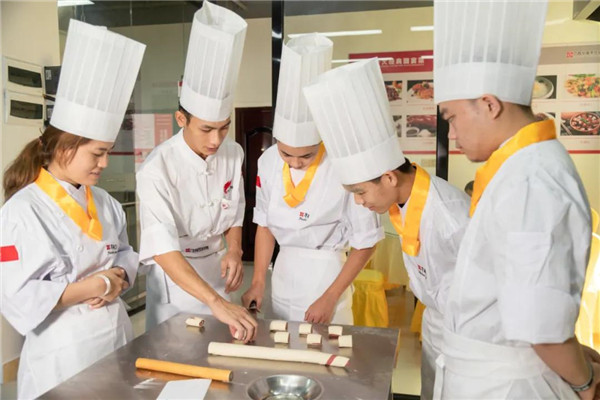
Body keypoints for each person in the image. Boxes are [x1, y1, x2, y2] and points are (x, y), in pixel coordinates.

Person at [432, 0, 600, 398]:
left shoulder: (531, 180)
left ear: (489, 104)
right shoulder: (519, 169)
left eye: (451, 117)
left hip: (508, 387)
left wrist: (586, 384)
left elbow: (540, 326)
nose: (451, 134)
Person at [304, 58, 470, 399]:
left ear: (390, 177)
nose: (360, 202)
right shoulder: (403, 202)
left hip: (470, 336)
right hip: (437, 325)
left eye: (361, 192)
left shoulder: (451, 217)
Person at [0, 20, 145, 399]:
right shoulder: (23, 210)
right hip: (63, 352)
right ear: (65, 147)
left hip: (115, 335)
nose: (104, 163)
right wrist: (97, 285)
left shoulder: (106, 203)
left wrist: (118, 275)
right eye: (97, 153)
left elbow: (127, 253)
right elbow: (18, 296)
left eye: (107, 153)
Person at [241, 35, 382, 325]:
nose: (295, 163)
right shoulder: (268, 162)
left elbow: (366, 241)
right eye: (286, 153)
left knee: (326, 349)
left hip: (328, 277)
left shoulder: (343, 165)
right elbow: (264, 225)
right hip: (283, 274)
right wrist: (258, 281)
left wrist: (330, 297)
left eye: (306, 155)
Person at [136, 1, 256, 341]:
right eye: (206, 129)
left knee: (220, 352)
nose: (216, 140)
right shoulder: (156, 169)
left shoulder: (233, 152)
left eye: (224, 127)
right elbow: (163, 249)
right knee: (178, 352)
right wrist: (214, 302)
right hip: (177, 280)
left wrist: (235, 249)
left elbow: (234, 209)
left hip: (217, 271)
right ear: (181, 119)